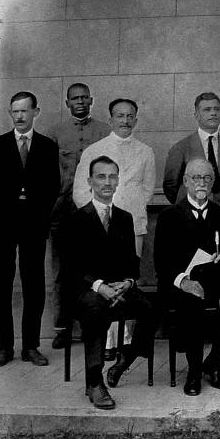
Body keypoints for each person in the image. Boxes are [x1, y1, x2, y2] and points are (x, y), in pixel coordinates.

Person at [64, 156, 158, 410]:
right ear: (90, 182)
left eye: (112, 176)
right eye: (101, 177)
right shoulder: (76, 219)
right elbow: (71, 268)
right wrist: (100, 286)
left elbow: (132, 262)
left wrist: (127, 282)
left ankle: (124, 361)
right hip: (87, 291)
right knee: (96, 310)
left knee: (150, 309)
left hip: (118, 288)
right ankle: (95, 382)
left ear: (118, 181)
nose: (107, 182)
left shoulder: (125, 219)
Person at [155, 159, 220, 396]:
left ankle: (216, 362)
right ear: (186, 181)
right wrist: (184, 282)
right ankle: (194, 371)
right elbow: (162, 261)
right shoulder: (169, 216)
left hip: (216, 282)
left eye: (207, 178)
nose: (202, 183)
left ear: (213, 183)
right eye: (197, 178)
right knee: (191, 303)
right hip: (181, 284)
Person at [73, 98, 156, 360]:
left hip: (132, 223)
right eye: (120, 116)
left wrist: (129, 206)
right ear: (110, 119)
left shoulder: (145, 151)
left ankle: (127, 340)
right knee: (104, 278)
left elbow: (147, 189)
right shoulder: (95, 150)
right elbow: (79, 190)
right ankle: (106, 341)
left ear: (136, 119)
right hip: (101, 224)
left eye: (130, 116)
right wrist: (100, 217)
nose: (125, 120)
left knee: (126, 279)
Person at [0, 91, 60, 367]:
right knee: (3, 286)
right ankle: (4, 346)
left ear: (35, 112)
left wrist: (38, 215)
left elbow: (53, 186)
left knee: (34, 285)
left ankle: (30, 346)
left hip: (34, 227)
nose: (19, 116)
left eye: (24, 111)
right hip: (4, 226)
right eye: (14, 111)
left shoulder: (46, 146)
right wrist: (0, 212)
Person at [47, 83, 110, 350]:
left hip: (93, 210)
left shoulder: (105, 131)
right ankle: (62, 327)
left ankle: (91, 326)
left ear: (92, 100)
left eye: (85, 97)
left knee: (94, 268)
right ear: (67, 103)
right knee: (62, 270)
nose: (80, 102)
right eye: (75, 98)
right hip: (62, 211)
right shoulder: (55, 133)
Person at [163, 91, 220, 211]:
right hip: (190, 213)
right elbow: (170, 185)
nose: (213, 113)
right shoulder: (181, 147)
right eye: (207, 110)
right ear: (196, 115)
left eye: (216, 109)